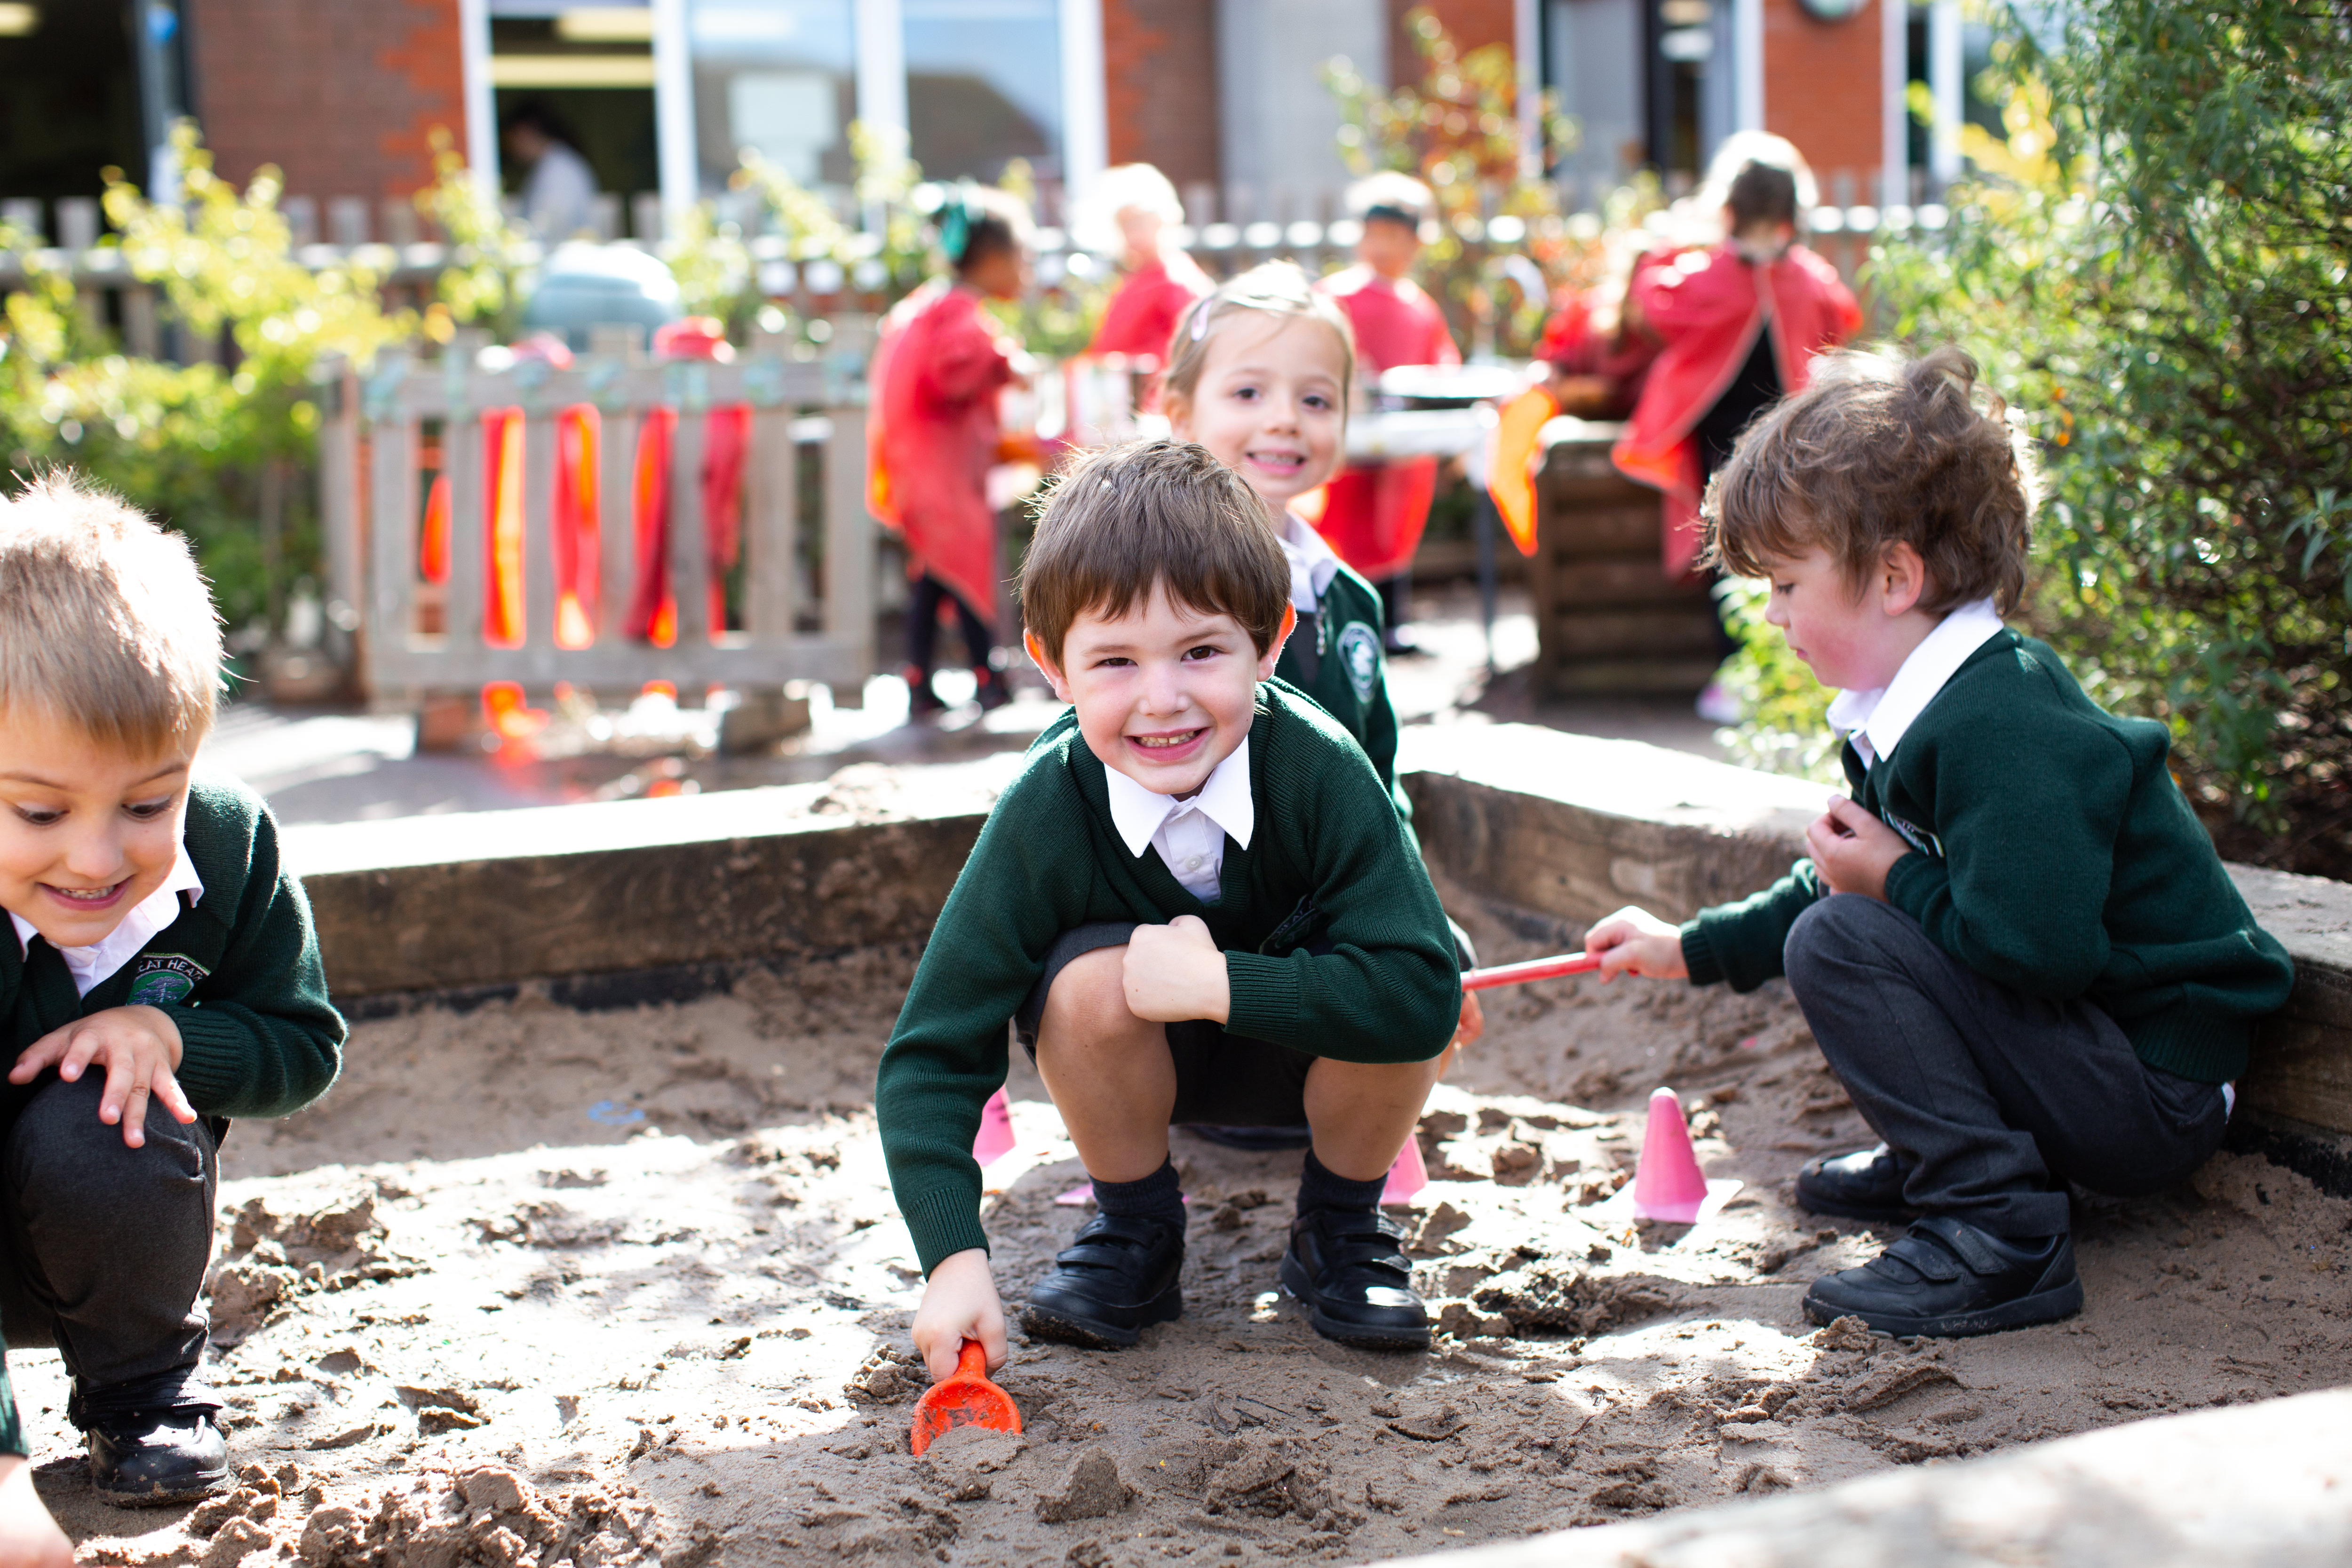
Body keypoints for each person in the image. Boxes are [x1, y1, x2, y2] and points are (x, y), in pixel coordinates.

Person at [1584, 347, 2295, 1339]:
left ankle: (1997, 1231)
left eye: (1786, 585)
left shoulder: (2004, 726)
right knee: (1842, 924)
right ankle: (1960, 1158)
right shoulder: (1905, 708)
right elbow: (1849, 877)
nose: (1775, 616)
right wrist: (1689, 945)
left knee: (1839, 944)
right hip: (2082, 1052)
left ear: (1892, 576)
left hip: (2151, 1086)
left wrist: (1893, 877)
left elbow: (2036, 952)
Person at [882, 438, 1463, 1377]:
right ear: (1051, 665)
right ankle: (1137, 1227)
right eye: (1113, 660)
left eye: (1200, 650)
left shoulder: (1318, 767)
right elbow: (933, 1046)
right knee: (1085, 985)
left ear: (1269, 640)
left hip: (1313, 1060)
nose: (1162, 700)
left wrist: (1219, 982)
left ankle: (1339, 1226)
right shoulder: (1049, 804)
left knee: (1409, 975)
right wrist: (951, 1258)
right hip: (1136, 1070)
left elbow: (1423, 993)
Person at [0, 475, 345, 1534]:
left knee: (110, 1108)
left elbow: (304, 1042)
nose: (97, 856)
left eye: (149, 801)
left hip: (110, 1230)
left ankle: (143, 1392)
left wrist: (172, 1035)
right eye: (39, 810)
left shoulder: (230, 846)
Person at [1158, 261, 1486, 1146]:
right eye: (1249, 391)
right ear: (1182, 413)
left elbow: (1379, 778)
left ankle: (1346, 1119)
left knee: (1438, 956)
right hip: (1200, 912)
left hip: (1327, 907)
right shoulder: (1156, 594)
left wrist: (1410, 902)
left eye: (1316, 398)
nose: (1283, 419)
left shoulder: (1351, 602)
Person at [1611, 133, 1860, 720]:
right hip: (1791, 446)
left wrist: (1665, 251)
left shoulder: (1703, 276)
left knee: (1724, 552)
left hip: (1714, 447)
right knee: (1789, 552)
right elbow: (1841, 318)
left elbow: (1651, 304)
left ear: (1726, 210)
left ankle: (1736, 670)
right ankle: (1781, 675)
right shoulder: (1807, 277)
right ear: (1792, 214)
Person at [868, 187, 1036, 716]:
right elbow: (952, 372)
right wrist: (1005, 363)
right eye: (1021, 258)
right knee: (960, 565)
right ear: (991, 260)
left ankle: (923, 677)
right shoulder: (957, 314)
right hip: (941, 468)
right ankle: (988, 676)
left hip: (916, 464)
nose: (1025, 271)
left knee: (938, 572)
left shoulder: (924, 307)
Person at [1317, 172, 1460, 653]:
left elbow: (1441, 364)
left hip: (1401, 434)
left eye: (1395, 236)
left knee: (1397, 518)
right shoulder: (1333, 298)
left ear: (1416, 242)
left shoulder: (1419, 307)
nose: (1383, 246)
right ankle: (1342, 619)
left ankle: (1390, 618)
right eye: (1374, 234)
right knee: (1343, 520)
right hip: (1346, 429)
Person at [1081, 164, 1212, 378]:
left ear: (1160, 219)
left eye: (1139, 222)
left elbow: (1190, 351)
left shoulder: (1177, 279)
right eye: (1125, 225)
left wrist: (1131, 363)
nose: (1133, 234)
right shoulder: (1135, 278)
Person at [501, 101, 599, 243]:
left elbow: (550, 228)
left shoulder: (560, 170)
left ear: (524, 131)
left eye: (511, 138)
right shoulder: (550, 164)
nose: (510, 147)